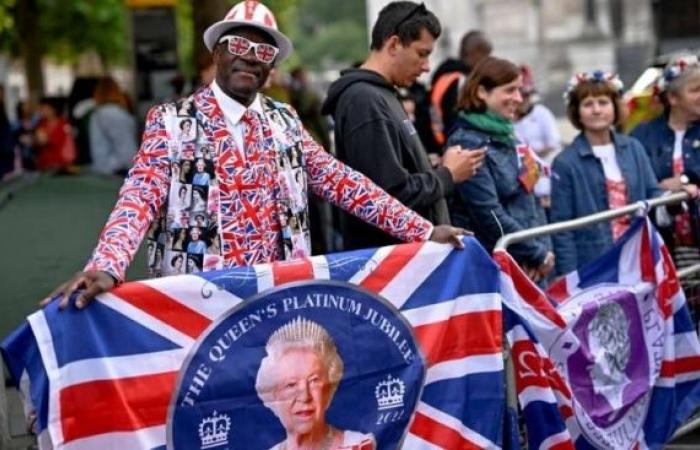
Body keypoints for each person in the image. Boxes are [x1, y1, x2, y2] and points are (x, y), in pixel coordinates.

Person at [45, 1, 465, 309]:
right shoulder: (171, 121)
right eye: (238, 44)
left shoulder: (285, 121)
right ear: (217, 53)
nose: (250, 56)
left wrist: (422, 230)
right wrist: (107, 264)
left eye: (264, 52)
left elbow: (345, 183)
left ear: (271, 69)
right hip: (198, 305)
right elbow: (138, 197)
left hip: (278, 302)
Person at [322, 1, 485, 251]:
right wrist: (447, 175)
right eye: (422, 53)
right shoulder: (364, 101)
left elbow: (395, 174)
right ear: (394, 44)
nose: (427, 66)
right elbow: (389, 197)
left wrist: (437, 166)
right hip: (392, 265)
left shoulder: (383, 94)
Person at [446, 56, 554, 282]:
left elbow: (531, 199)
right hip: (497, 270)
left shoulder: (509, 136)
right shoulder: (468, 143)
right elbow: (489, 214)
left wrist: (542, 251)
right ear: (482, 92)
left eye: (520, 90)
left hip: (528, 265)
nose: (518, 98)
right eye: (510, 90)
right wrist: (535, 252)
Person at [550, 71, 663, 275]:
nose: (596, 110)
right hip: (595, 263)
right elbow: (562, 228)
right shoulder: (565, 163)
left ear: (614, 107)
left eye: (603, 102)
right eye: (588, 104)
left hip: (638, 255)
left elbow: (653, 194)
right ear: (577, 112)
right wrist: (570, 278)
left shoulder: (634, 148)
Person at [256, 317, 376, 450]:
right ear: (273, 398)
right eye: (291, 384)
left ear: (328, 390)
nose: (305, 397)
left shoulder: (358, 445)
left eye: (314, 381)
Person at [631, 54, 700, 270]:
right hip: (662, 247)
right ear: (672, 98)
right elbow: (632, 184)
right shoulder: (642, 135)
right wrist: (659, 188)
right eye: (695, 90)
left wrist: (690, 183)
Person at [429, 30, 492, 150]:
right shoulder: (461, 81)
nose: (487, 61)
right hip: (454, 148)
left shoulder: (446, 75)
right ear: (475, 52)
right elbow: (457, 120)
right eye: (486, 54)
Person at [514, 65, 561, 211]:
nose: (523, 100)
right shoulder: (506, 120)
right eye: (521, 94)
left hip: (543, 181)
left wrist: (529, 154)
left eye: (527, 95)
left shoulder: (541, 113)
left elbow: (553, 143)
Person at [89, 76, 137, 176]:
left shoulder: (98, 114)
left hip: (105, 168)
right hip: (117, 170)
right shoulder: (116, 114)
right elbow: (126, 147)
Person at [34, 97, 77, 172]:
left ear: (53, 109)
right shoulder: (41, 123)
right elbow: (38, 142)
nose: (41, 110)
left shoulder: (64, 124)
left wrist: (46, 140)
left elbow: (59, 141)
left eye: (44, 108)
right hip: (44, 165)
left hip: (61, 164)